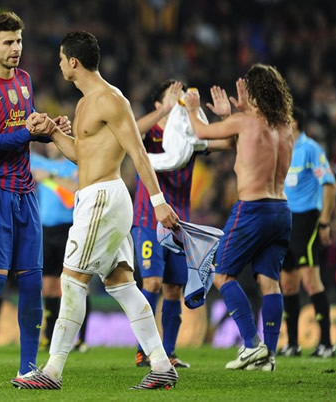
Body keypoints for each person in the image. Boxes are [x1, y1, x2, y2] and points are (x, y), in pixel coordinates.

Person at [12, 31, 180, 390]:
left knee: (71, 280)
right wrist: (52, 133)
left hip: (103, 198)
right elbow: (82, 158)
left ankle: (52, 371)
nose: (59, 65)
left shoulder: (110, 99)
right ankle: (162, 364)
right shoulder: (85, 103)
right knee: (122, 284)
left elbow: (138, 153)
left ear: (73, 62)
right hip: (96, 196)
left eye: (60, 59)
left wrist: (158, 201)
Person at [0, 11, 68, 388]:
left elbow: (22, 134)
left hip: (24, 191)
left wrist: (47, 129)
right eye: (8, 42)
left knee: (34, 282)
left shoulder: (24, 81)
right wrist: (27, 130)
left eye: (19, 40)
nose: (16, 48)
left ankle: (27, 367)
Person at [184, 64, 294, 371]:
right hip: (281, 211)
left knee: (222, 275)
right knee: (269, 282)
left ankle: (251, 345)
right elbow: (244, 146)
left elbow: (201, 132)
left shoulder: (245, 121)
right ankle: (268, 357)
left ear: (255, 93)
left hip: (252, 209)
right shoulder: (285, 126)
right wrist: (230, 115)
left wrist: (193, 109)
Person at [132, 79, 194, 369]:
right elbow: (131, 130)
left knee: (173, 289)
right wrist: (163, 112)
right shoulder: (148, 133)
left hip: (180, 225)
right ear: (159, 104)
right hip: (147, 220)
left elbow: (223, 141)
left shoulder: (189, 135)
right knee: (153, 281)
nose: (177, 102)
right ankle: (144, 350)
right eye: (173, 97)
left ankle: (168, 352)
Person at [279, 107, 336, 358]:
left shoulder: (311, 149)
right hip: (285, 220)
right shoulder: (281, 149)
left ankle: (326, 343)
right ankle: (292, 344)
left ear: (294, 123)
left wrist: (324, 222)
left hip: (307, 222)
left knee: (310, 280)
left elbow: (330, 185)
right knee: (288, 284)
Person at [30, 142, 90, 352]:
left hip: (69, 229)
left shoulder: (74, 167)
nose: (50, 146)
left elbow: (77, 189)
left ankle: (81, 339)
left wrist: (50, 177)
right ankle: (49, 336)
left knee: (74, 284)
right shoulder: (38, 163)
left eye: (55, 142)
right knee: (48, 286)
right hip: (45, 231)